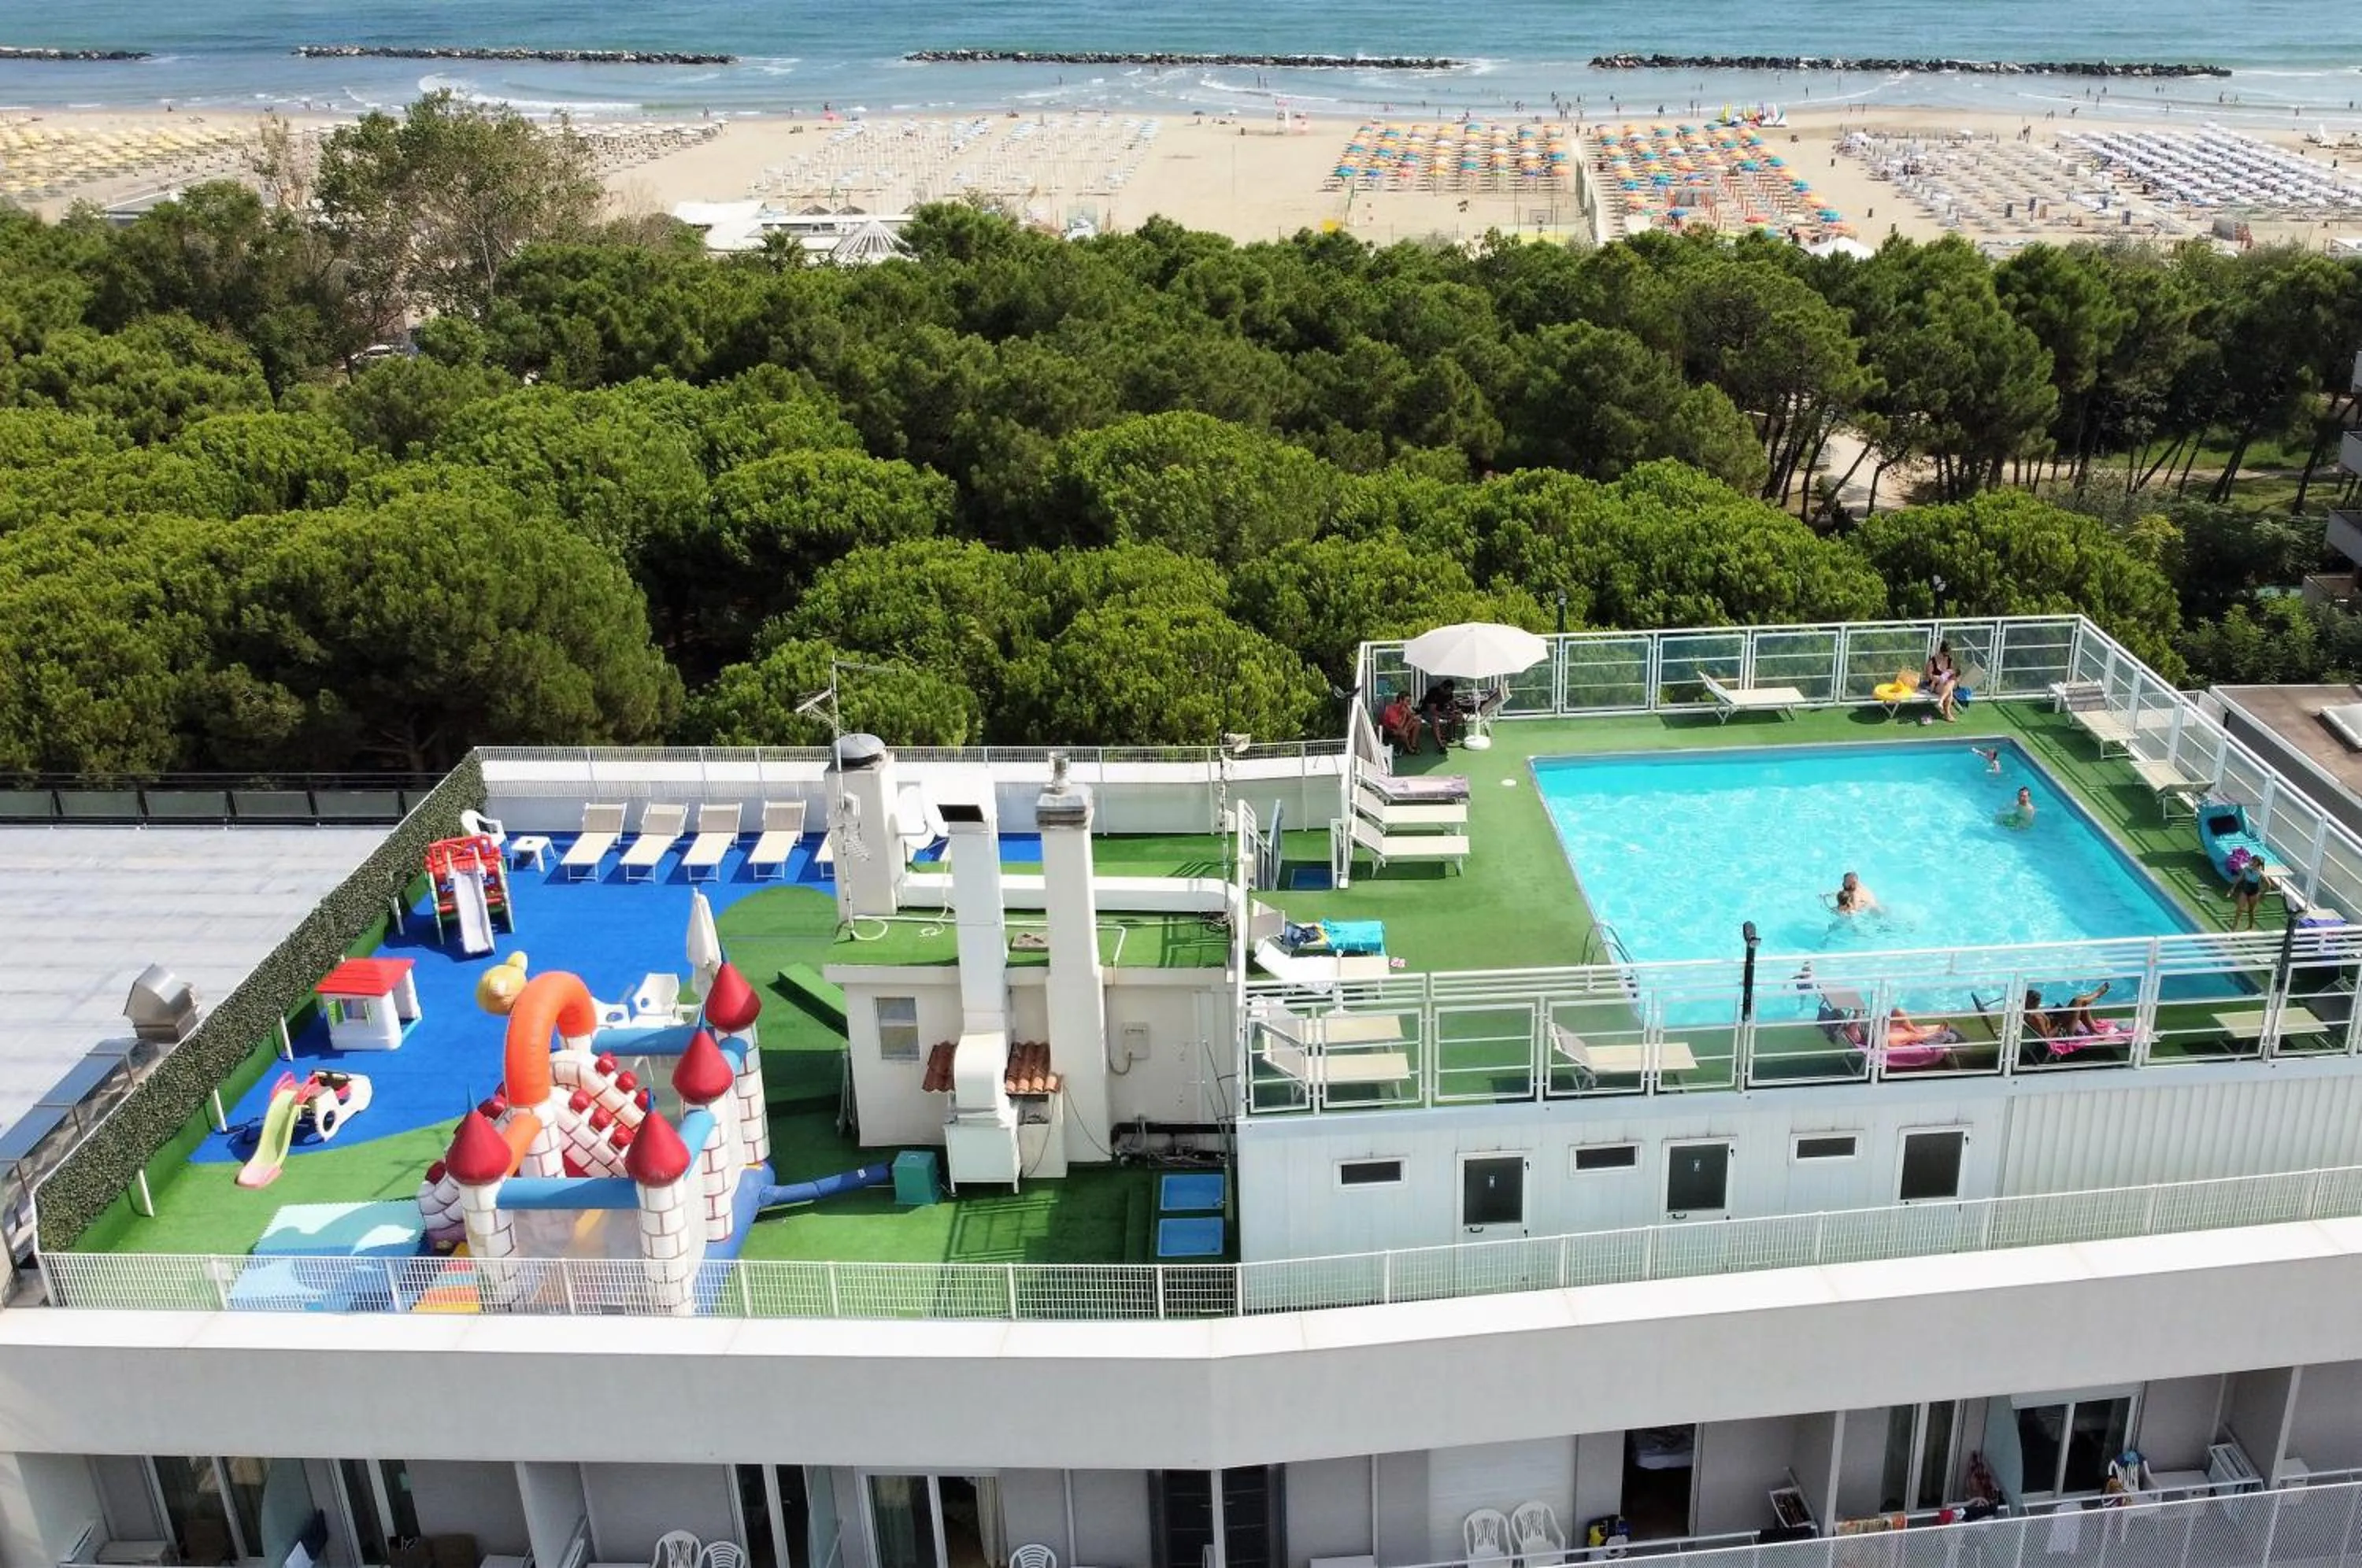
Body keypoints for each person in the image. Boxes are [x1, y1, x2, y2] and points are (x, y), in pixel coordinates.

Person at [1419, 679, 1461, 753]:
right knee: (1435, 719)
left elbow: (1452, 705)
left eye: (1450, 692)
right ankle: (1440, 744)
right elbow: (1432, 711)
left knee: (1458, 716)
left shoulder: (1449, 693)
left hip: (1441, 711)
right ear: (1443, 688)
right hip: (1427, 712)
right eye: (1448, 691)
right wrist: (1447, 716)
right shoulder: (1433, 692)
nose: (1449, 693)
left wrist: (1455, 712)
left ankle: (1448, 735)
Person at [2228, 850, 2267, 930]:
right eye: (2252, 860)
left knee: (2251, 911)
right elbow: (2239, 878)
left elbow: (2268, 884)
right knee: (2239, 910)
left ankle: (2250, 926)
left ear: (2257, 864)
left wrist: (2263, 893)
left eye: (2253, 861)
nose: (2251, 861)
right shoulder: (2246, 868)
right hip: (2245, 890)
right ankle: (2234, 928)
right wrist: (2233, 888)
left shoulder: (2260, 873)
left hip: (2254, 893)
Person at [1926, 642, 1960, 722]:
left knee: (1951, 683)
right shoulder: (1932, 661)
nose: (1946, 657)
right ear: (1940, 652)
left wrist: (1952, 675)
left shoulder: (1949, 661)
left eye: (1948, 655)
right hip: (1936, 685)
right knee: (1950, 691)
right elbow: (1929, 676)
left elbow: (1954, 675)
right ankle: (1947, 714)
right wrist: (1937, 678)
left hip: (1947, 684)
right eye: (1945, 655)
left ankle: (1941, 702)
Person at [1379, 691, 1421, 755]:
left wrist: (1406, 727)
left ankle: (1413, 745)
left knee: (1417, 723)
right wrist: (1404, 716)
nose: (1409, 703)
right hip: (1390, 730)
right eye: (1407, 701)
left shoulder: (1404, 707)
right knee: (1403, 733)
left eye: (1410, 701)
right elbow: (1399, 726)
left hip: (1400, 727)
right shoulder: (1392, 709)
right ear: (1401, 701)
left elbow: (1412, 717)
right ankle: (1410, 749)